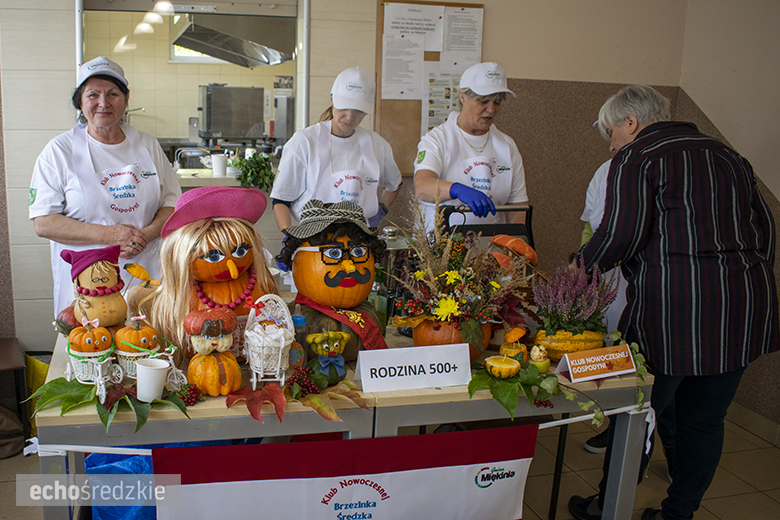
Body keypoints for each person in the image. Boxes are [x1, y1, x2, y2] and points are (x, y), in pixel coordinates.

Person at [568, 85, 779, 520]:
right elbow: (766, 229)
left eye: (611, 132)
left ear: (631, 122)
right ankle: (677, 514)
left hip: (672, 313)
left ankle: (606, 507)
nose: (610, 144)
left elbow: (620, 234)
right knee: (706, 420)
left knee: (639, 411)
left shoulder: (638, 156)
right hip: (743, 309)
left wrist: (579, 269)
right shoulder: (728, 155)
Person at [29, 56, 181, 317]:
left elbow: (172, 203)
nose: (103, 102)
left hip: (146, 278)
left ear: (126, 98)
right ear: (80, 101)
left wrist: (146, 234)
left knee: (146, 337)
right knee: (90, 339)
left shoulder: (148, 145)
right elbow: (44, 222)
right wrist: (112, 237)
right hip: (87, 284)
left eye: (113, 94)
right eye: (93, 95)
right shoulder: (58, 151)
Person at [579, 157, 676, 482]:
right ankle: (616, 429)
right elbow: (590, 227)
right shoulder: (605, 170)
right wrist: (582, 274)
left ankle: (667, 451)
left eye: (613, 133)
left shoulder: (660, 166)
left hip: (654, 292)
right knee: (619, 366)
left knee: (657, 385)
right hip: (610, 285)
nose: (610, 143)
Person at [270, 67, 402, 231]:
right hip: (313, 238)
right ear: (332, 100)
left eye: (358, 111)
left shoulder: (378, 145)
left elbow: (395, 184)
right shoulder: (304, 142)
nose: (350, 117)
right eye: (344, 107)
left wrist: (380, 211)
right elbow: (281, 200)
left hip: (361, 238)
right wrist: (289, 236)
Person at [414, 62, 529, 233]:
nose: (491, 110)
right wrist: (455, 189)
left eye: (497, 102)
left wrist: (515, 241)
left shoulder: (507, 146)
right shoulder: (437, 139)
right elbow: (422, 187)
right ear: (462, 96)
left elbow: (517, 205)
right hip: (440, 243)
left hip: (490, 243)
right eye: (483, 101)